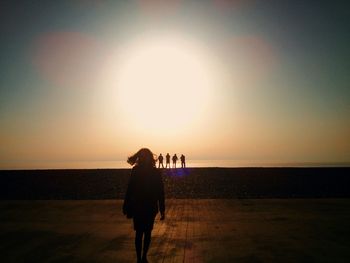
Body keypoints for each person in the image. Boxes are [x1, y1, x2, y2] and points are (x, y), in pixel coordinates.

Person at [123, 148, 165, 263]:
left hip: (148, 207)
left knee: (146, 232)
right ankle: (139, 258)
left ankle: (143, 257)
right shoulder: (137, 171)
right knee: (141, 233)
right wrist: (126, 204)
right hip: (140, 206)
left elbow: (160, 192)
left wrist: (162, 209)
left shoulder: (152, 172)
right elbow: (130, 189)